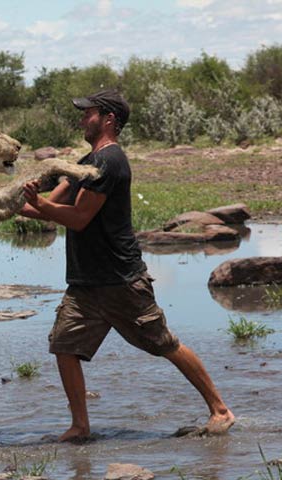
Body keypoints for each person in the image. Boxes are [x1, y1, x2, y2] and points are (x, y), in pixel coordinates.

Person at [19, 89, 235, 442]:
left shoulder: (111, 162)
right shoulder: (84, 163)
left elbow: (78, 218)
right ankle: (79, 427)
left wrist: (37, 205)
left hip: (120, 281)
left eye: (87, 113)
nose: (81, 119)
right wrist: (4, 204)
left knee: (163, 343)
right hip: (86, 284)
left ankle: (220, 410)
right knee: (64, 347)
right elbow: (41, 206)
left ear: (108, 120)